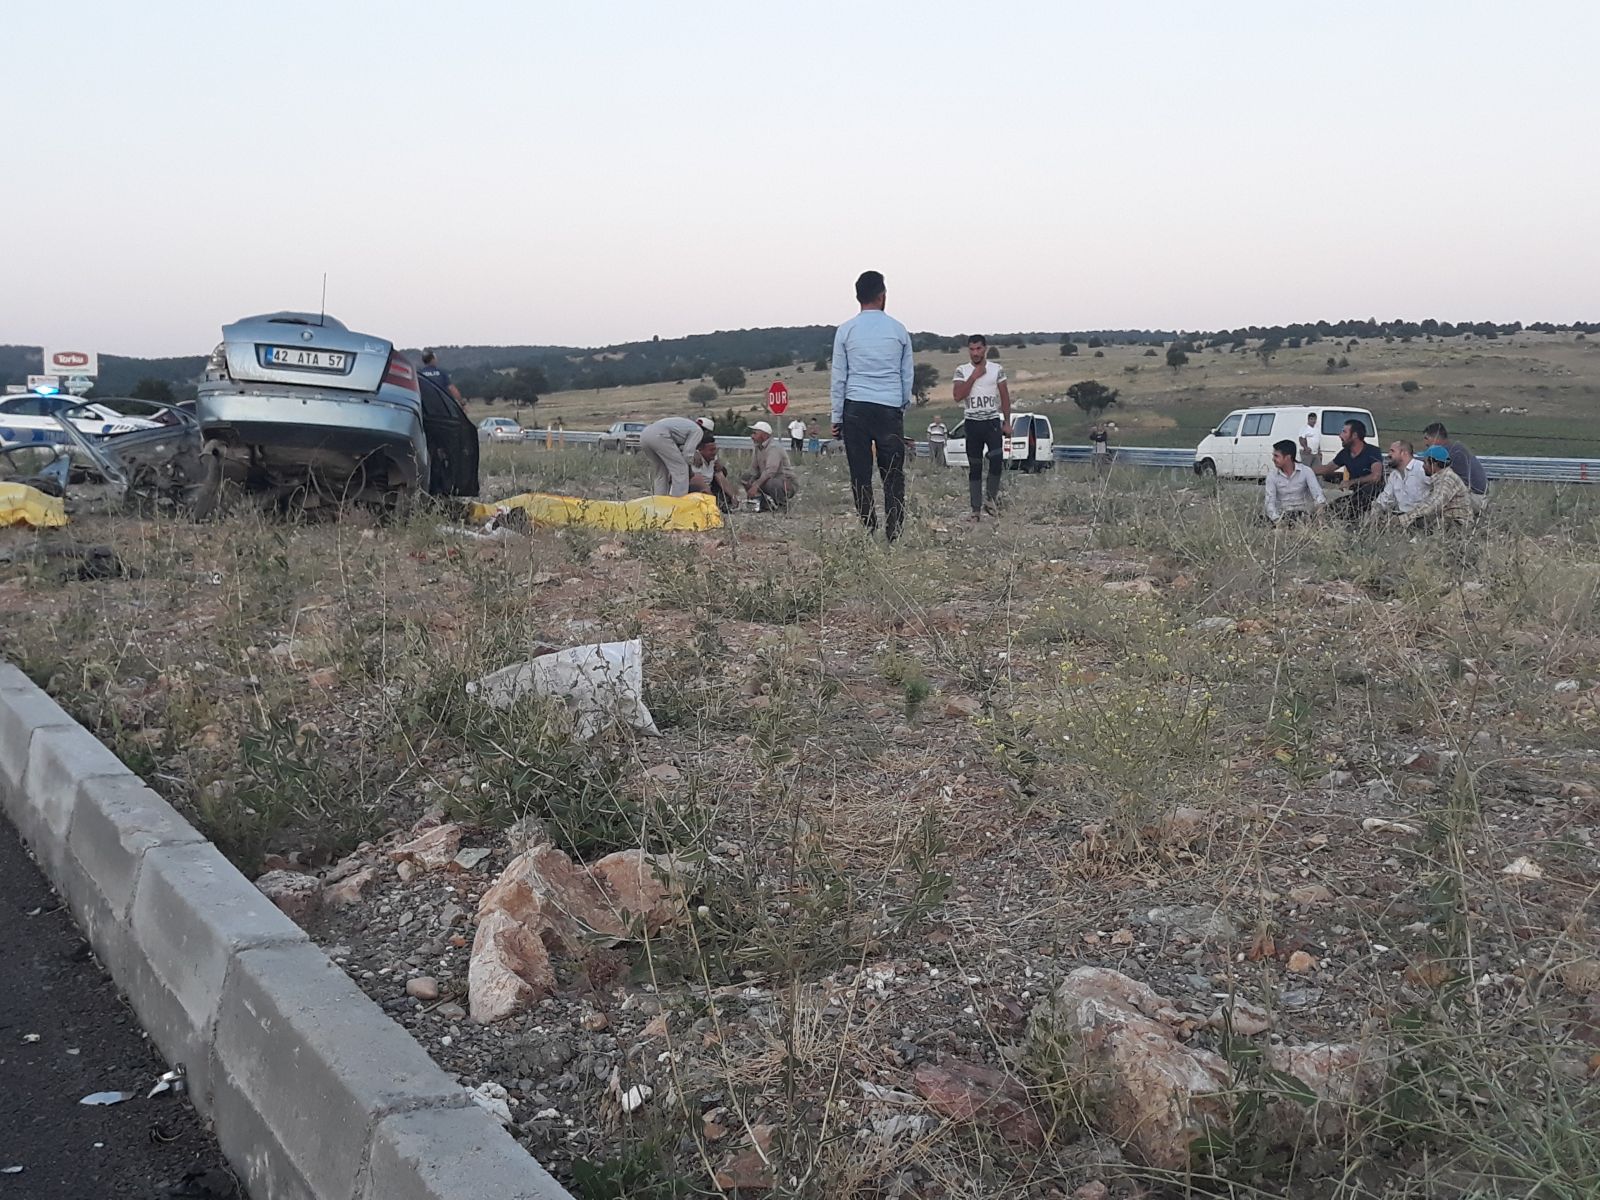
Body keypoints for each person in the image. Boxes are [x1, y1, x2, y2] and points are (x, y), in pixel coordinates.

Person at [831, 270, 913, 541]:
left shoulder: (846, 330)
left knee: (860, 473)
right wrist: (900, 405)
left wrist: (836, 416)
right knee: (893, 474)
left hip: (856, 407)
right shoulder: (898, 330)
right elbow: (906, 375)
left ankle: (869, 526)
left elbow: (839, 376)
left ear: (858, 297)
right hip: (889, 406)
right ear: (882, 295)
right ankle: (894, 531)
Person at [951, 335, 1011, 519]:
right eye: (972, 349)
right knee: (975, 466)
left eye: (978, 349)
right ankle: (975, 510)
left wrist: (1007, 422)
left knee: (996, 458)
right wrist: (973, 377)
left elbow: (1005, 397)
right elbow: (958, 395)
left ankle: (990, 500)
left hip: (991, 421)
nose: (975, 353)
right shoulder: (962, 370)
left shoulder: (996, 370)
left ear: (985, 349)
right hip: (972, 423)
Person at [1314, 418, 1384, 518]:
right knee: (1331, 510)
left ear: (1355, 435)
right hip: (1355, 495)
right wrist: (1302, 470)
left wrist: (1351, 482)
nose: (1340, 436)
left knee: (1346, 508)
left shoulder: (1373, 451)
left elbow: (1375, 476)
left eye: (1344, 432)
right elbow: (1327, 469)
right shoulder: (1345, 453)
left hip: (1373, 495)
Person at [1401, 445, 1475, 529]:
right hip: (1448, 520)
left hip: (1458, 524)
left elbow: (1434, 504)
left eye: (1425, 462)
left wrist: (1403, 519)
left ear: (1433, 463)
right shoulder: (1443, 477)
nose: (1423, 466)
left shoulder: (1447, 478)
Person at [640, 415, 715, 497]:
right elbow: (687, 454)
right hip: (660, 436)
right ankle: (678, 501)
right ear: (707, 431)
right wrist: (693, 460)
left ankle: (659, 501)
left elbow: (679, 450)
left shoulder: (687, 426)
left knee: (662, 472)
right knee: (681, 470)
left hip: (645, 435)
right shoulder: (698, 431)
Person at [1423, 422, 1489, 512]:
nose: (1425, 443)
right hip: (1479, 496)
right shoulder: (1456, 448)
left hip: (1474, 498)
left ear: (1435, 438)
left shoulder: (1446, 453)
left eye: (1426, 438)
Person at [1264, 439, 1327, 524]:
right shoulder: (1272, 476)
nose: (1273, 459)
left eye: (1276, 456)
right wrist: (1277, 520)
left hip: (1303, 516)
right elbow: (1269, 503)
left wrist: (1319, 512)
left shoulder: (1306, 471)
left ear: (1288, 457)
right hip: (1281, 516)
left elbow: (1318, 495)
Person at [742, 421, 800, 511]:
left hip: (785, 482)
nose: (752, 436)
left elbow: (771, 472)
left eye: (755, 433)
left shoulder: (774, 447)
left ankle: (783, 505)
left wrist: (756, 485)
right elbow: (753, 469)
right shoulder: (758, 447)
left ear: (765, 436)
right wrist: (750, 481)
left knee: (772, 483)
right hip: (769, 479)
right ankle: (762, 504)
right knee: (746, 477)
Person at [1371, 440, 1428, 517]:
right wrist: (1375, 509)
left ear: (1404, 453)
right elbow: (1385, 499)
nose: (1388, 455)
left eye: (1392, 451)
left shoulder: (1421, 469)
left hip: (1422, 517)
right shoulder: (1394, 475)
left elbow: (1437, 489)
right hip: (1401, 518)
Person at [689, 436, 739, 511]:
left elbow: (721, 478)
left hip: (710, 487)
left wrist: (733, 496)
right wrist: (713, 500)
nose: (714, 452)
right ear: (701, 450)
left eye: (715, 449)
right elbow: (699, 483)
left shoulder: (713, 459)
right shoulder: (696, 459)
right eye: (711, 450)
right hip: (698, 489)